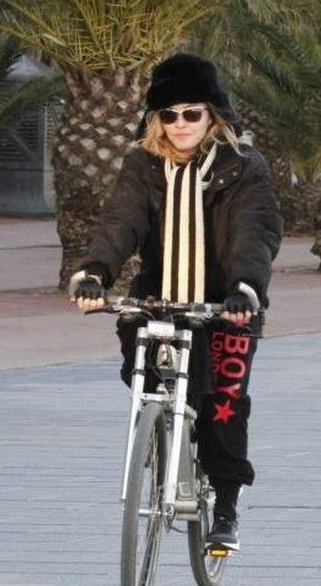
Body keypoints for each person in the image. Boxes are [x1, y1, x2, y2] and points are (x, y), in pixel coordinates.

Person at [69, 53, 283, 550]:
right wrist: (94, 273)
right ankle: (163, 431)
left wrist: (246, 288)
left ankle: (225, 503)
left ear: (212, 115)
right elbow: (121, 221)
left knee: (223, 405)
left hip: (226, 302)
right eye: (169, 114)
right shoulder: (142, 164)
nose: (180, 123)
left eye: (191, 112)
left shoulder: (243, 166)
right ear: (156, 119)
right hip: (158, 297)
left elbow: (255, 231)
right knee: (146, 374)